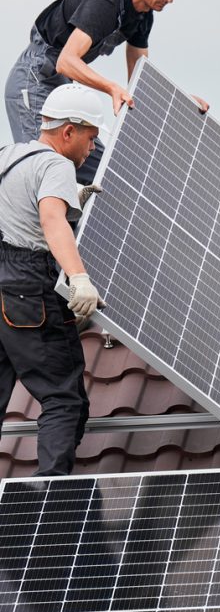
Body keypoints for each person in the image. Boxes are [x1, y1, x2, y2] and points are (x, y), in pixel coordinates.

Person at [4, 0, 209, 186]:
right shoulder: (106, 0)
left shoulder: (143, 18)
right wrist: (111, 87)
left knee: (105, 174)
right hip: (35, 79)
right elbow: (66, 61)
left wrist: (182, 103)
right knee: (45, 167)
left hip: (62, 88)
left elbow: (141, 82)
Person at [0, 83, 106, 476]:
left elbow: (21, 209)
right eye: (91, 137)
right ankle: (52, 505)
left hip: (1, 280)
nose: (92, 148)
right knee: (63, 399)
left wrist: (69, 196)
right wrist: (78, 278)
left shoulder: (9, 155)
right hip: (28, 288)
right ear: (68, 132)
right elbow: (50, 221)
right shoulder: (56, 165)